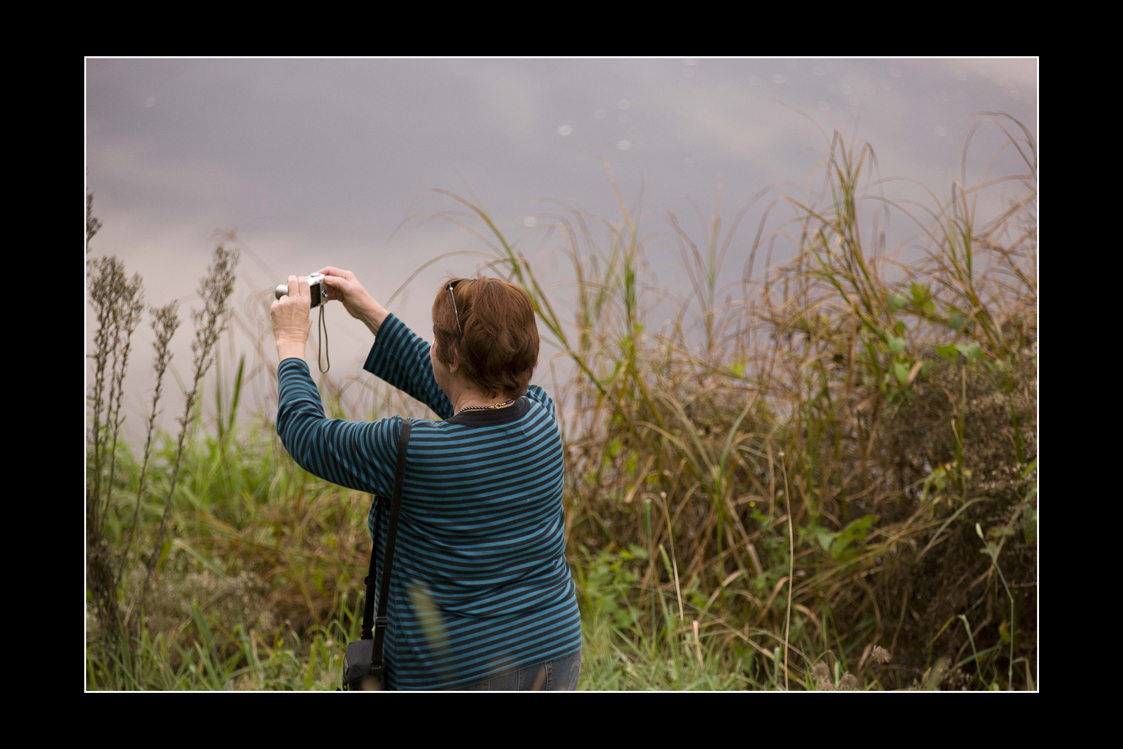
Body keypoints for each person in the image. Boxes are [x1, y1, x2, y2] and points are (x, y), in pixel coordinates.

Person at [270, 267, 582, 690]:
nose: (431, 345)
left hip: (459, 672)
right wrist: (371, 313)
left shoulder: (408, 450)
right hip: (554, 652)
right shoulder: (542, 417)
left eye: (436, 338)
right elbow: (463, 388)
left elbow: (306, 435)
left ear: (453, 357)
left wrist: (291, 344)